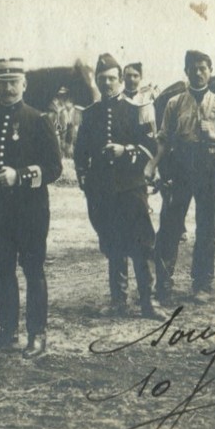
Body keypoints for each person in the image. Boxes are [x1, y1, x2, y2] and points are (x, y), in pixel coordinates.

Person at [0, 58, 62, 357]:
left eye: (13, 82)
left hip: (30, 211)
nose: (8, 88)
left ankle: (37, 335)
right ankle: (7, 331)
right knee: (3, 268)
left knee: (33, 269)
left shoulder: (38, 119)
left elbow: (54, 168)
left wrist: (18, 176)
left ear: (24, 84)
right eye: (2, 82)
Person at [75, 53, 166, 320]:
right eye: (102, 79)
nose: (107, 84)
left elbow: (151, 147)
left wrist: (124, 150)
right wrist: (85, 182)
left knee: (141, 244)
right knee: (113, 243)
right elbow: (80, 152)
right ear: (97, 81)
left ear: (120, 79)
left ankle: (148, 303)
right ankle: (118, 301)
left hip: (131, 188)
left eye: (112, 79)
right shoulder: (90, 115)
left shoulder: (135, 110)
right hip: (103, 191)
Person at [153, 50, 215, 304]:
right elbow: (162, 138)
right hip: (180, 165)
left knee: (207, 226)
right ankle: (163, 284)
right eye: (193, 68)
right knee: (170, 225)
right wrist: (153, 164)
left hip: (209, 166)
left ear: (210, 70)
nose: (199, 72)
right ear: (186, 72)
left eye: (203, 68)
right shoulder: (175, 103)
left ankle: (202, 284)